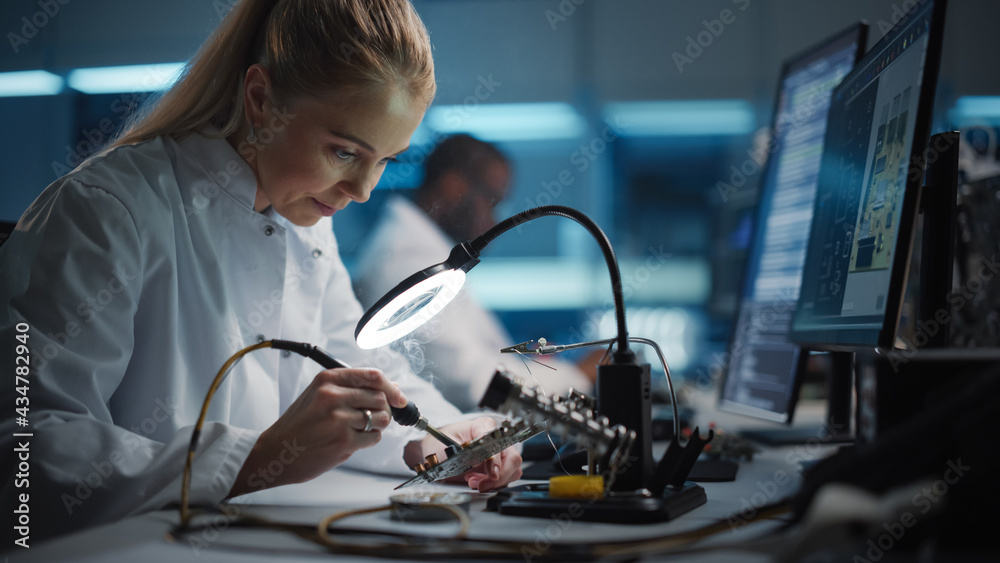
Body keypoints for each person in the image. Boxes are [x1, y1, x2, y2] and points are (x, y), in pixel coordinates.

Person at [0, 0, 521, 542]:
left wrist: (447, 435)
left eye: (386, 160)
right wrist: (257, 458)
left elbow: (364, 366)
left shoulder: (305, 222)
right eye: (344, 152)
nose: (363, 192)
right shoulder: (107, 209)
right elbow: (27, 451)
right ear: (260, 99)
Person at [356, 134, 595, 412]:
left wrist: (533, 363)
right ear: (452, 187)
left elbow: (477, 363)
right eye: (493, 202)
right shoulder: (406, 258)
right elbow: (474, 383)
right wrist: (579, 376)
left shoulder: (430, 254)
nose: (494, 221)